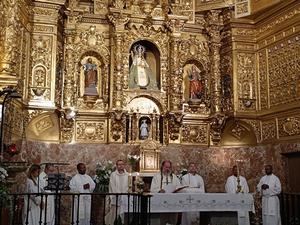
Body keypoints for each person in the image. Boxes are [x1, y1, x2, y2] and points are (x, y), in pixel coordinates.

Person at [150, 160, 181, 225]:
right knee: (163, 220)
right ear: (162, 167)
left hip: (173, 202)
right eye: (166, 167)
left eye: (169, 167)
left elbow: (179, 186)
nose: (167, 169)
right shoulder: (157, 177)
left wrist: (176, 190)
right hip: (162, 201)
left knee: (173, 220)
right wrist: (159, 190)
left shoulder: (174, 177)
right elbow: (152, 189)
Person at [105, 160, 129, 225]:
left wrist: (124, 194)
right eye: (119, 164)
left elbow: (129, 185)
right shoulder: (113, 175)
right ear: (117, 166)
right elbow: (112, 185)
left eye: (122, 164)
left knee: (124, 215)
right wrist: (118, 194)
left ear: (124, 165)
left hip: (125, 198)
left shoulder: (127, 175)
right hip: (116, 197)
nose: (121, 166)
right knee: (114, 215)